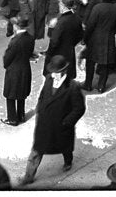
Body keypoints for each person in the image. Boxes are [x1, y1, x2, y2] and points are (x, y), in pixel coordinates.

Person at [20, 55, 86, 185]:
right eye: (53, 72)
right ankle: (28, 177)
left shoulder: (73, 87)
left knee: (65, 147)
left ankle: (68, 161)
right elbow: (43, 94)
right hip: (44, 125)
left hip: (60, 126)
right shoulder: (49, 79)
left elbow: (79, 109)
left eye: (57, 73)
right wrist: (39, 107)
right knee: (36, 151)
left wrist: (67, 122)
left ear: (64, 72)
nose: (54, 75)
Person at [82, 0, 116, 93]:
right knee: (105, 65)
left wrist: (85, 39)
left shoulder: (97, 8)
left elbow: (90, 25)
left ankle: (88, 84)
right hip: (109, 38)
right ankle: (101, 86)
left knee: (90, 63)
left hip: (95, 39)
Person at [2, 15, 34, 125]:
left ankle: (12, 119)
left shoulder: (14, 41)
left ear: (16, 26)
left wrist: (6, 65)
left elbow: (7, 59)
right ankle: (21, 115)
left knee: (10, 95)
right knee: (21, 93)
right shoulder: (30, 38)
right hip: (25, 68)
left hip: (14, 71)